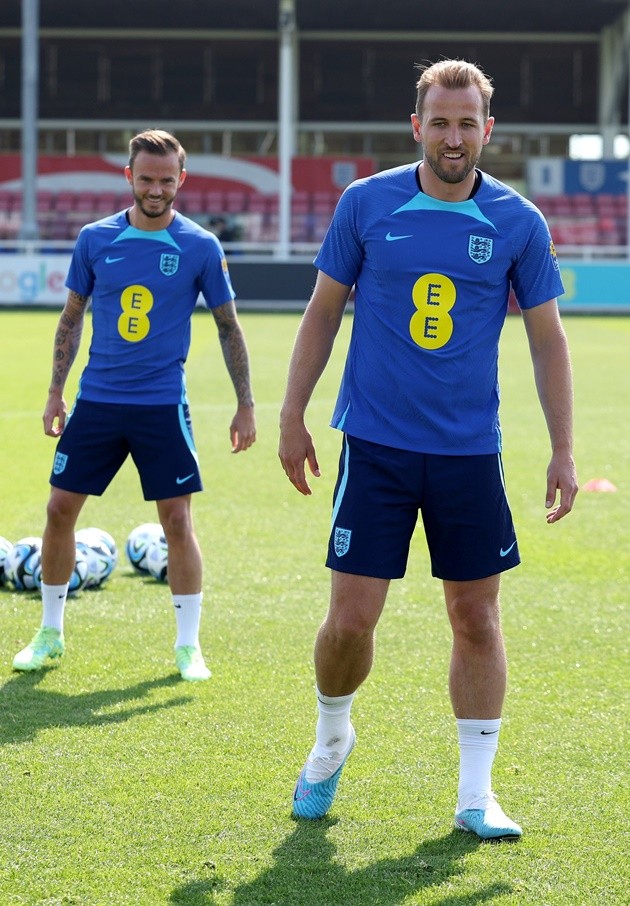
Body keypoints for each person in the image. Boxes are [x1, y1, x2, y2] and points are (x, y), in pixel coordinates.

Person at [278, 60, 578, 840]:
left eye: (466, 122)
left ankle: (476, 795)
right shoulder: (366, 203)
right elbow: (321, 313)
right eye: (439, 123)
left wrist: (563, 449)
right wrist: (291, 413)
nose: (453, 136)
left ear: (488, 129)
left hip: (468, 454)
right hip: (374, 447)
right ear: (417, 127)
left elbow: (548, 341)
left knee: (476, 616)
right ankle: (331, 737)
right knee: (350, 621)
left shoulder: (518, 221)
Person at [13, 129, 256, 682]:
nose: (156, 188)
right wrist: (56, 390)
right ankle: (50, 633)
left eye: (166, 179)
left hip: (161, 405)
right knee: (57, 511)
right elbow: (71, 319)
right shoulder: (95, 240)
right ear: (129, 177)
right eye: (146, 178)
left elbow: (228, 328)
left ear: (181, 180)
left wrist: (245, 404)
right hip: (98, 401)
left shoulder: (200, 246)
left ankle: (188, 646)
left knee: (176, 521)